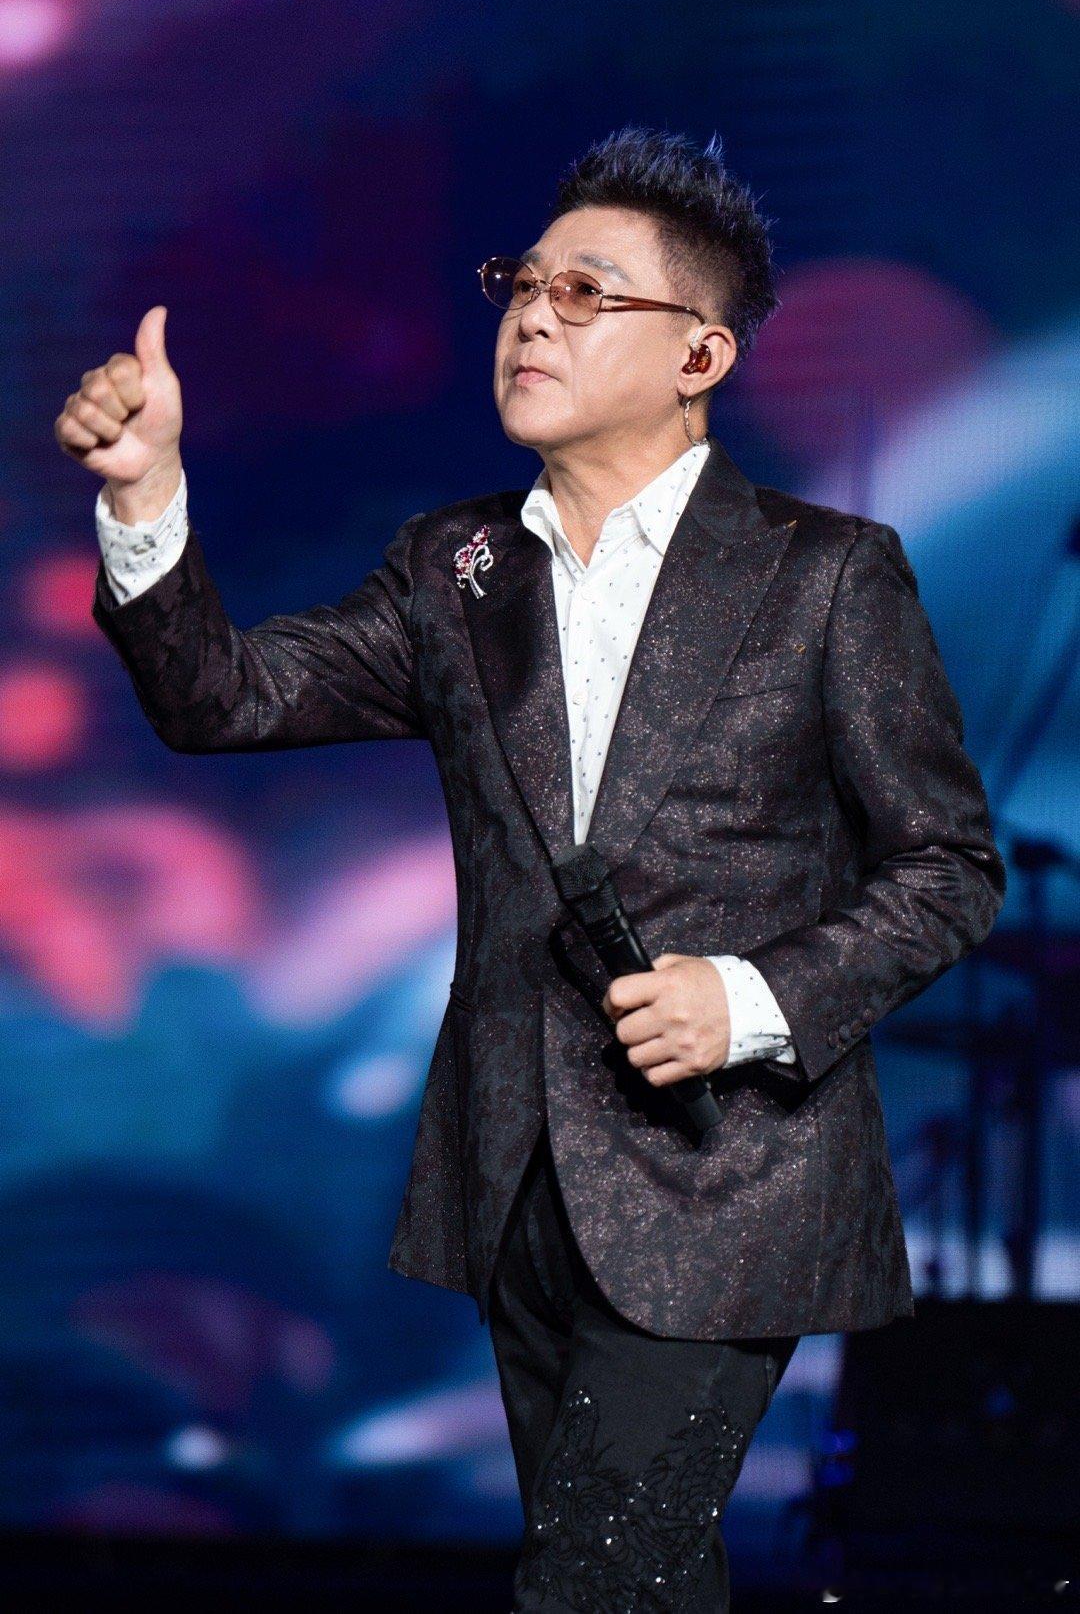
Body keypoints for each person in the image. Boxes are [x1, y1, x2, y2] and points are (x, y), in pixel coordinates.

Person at [56, 125, 1006, 1612]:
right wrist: (145, 497)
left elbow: (948, 865)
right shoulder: (456, 570)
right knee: (637, 1580)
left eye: (587, 292)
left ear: (700, 354)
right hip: (516, 1177)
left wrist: (751, 998)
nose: (533, 318)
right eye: (523, 284)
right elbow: (223, 699)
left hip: (723, 1173)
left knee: (595, 1578)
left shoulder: (826, 574)